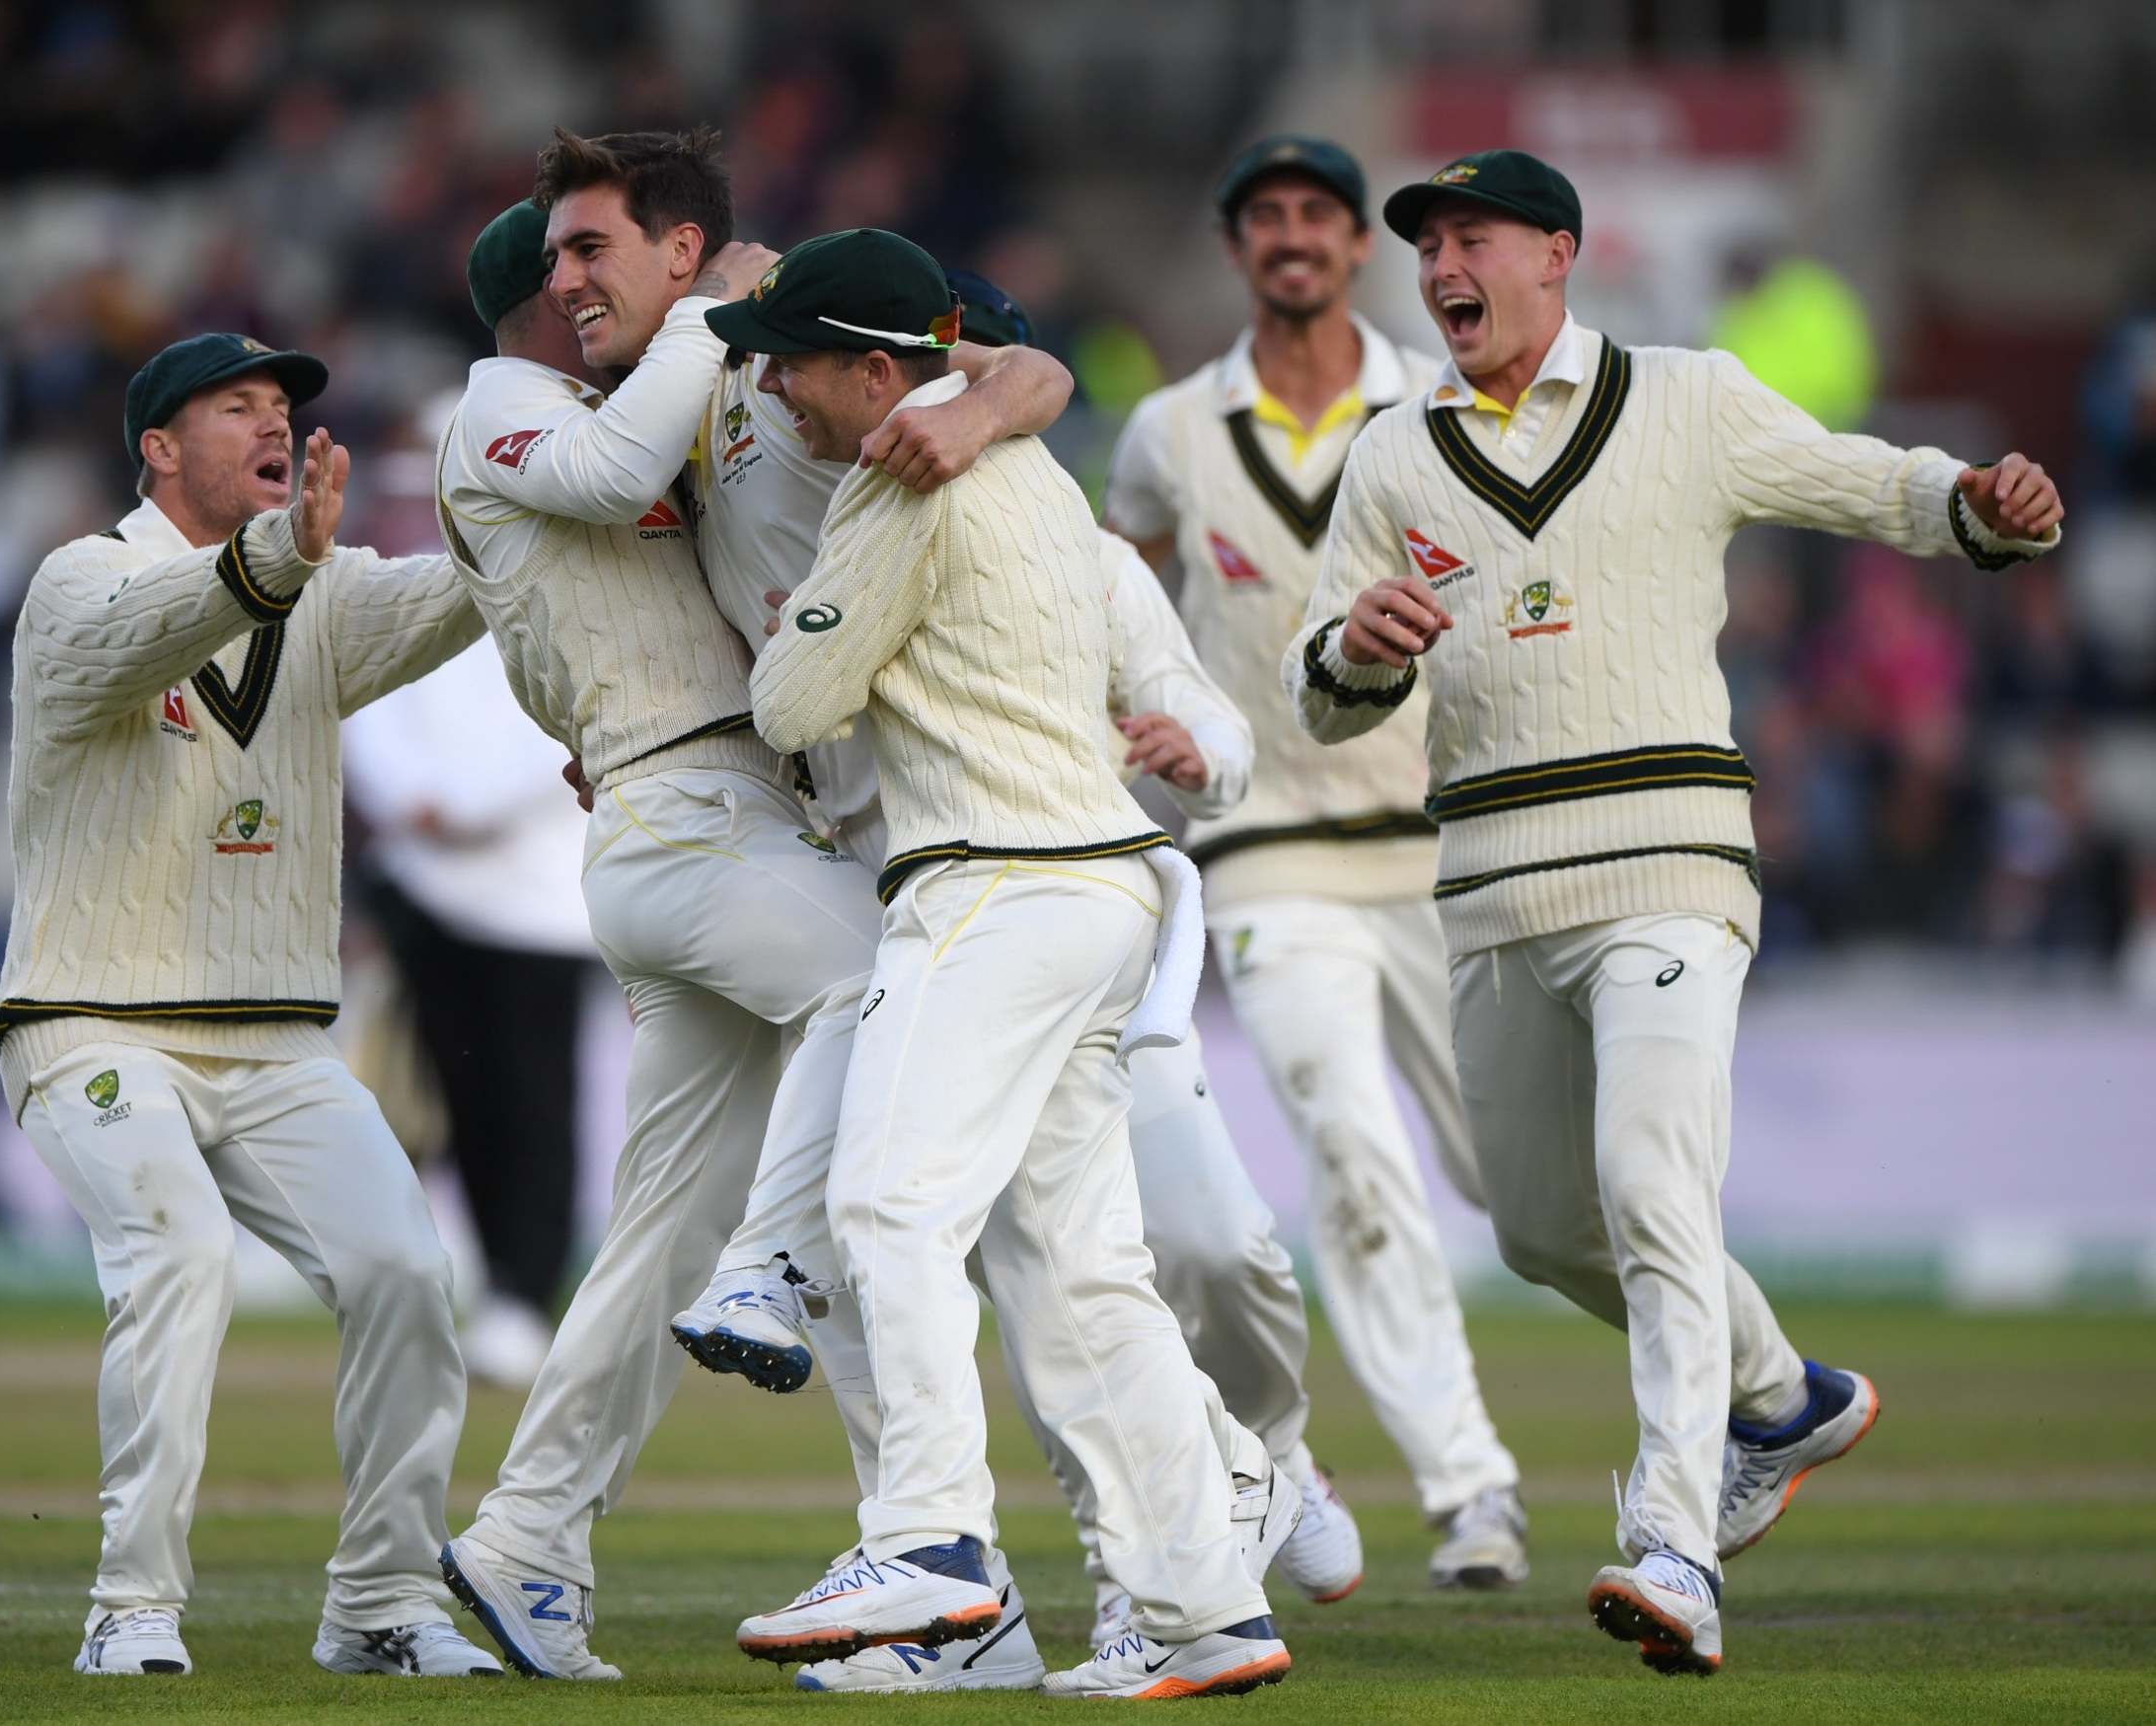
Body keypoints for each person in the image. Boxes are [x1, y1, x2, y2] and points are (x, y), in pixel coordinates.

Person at [1286, 147, 2062, 1676]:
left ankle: (1673, 1548)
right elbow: (1322, 687)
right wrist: (1361, 650)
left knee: (1650, 1179)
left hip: (1671, 864)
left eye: (1475, 238)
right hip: (1494, 892)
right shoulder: (1392, 455)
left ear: (1559, 254)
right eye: (1429, 244)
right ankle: (1779, 1398)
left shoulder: (1688, 399)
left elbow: (1863, 479)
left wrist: (1979, 504)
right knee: (1538, 1226)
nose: (1444, 268)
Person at [428, 138, 1072, 1683]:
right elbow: (601, 490)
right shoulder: (516, 406)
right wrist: (717, 308)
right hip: (689, 820)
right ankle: (931, 1552)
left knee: (660, 1229)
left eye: (600, 263)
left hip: (712, 824)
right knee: (890, 1012)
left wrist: (981, 393)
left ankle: (526, 1536)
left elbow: (1006, 357)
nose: (580, 295)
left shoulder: (703, 371)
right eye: (560, 271)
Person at [671, 270, 1363, 1696]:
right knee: (1082, 1275)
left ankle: (927, 1541)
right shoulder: (1042, 472)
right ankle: (1200, 1606)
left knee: (884, 1204)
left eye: (790, 365)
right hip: (1098, 886)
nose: (774, 390)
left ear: (868, 372)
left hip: (986, 881)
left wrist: (814, 622)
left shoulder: (899, 482)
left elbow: (794, 708)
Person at [0, 334, 498, 1679]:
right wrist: (285, 564)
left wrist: (535, 506)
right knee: (181, 1253)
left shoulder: (321, 587)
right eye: (240, 407)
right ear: (158, 447)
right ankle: (133, 1607)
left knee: (403, 1272)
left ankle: (383, 1606)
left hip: (273, 1039)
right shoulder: (79, 578)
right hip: (94, 1015)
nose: (277, 425)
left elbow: (461, 596)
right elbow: (141, 638)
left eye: (285, 409)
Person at [1107, 135, 1527, 1588]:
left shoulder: (1438, 398)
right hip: (1268, 853)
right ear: (1237, 247)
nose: (1290, 237)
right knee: (1354, 1162)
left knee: (1519, 1183)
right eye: (1265, 216)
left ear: (1358, 246)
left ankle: (1746, 1393)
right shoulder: (1168, 428)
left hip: (1445, 841)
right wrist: (1135, 712)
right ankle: (1469, 1489)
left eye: (1316, 217)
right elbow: (1114, 590)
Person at [343, 634, 600, 1389]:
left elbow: (578, 723)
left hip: (542, 901)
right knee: (455, 1105)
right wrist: (414, 804)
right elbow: (369, 706)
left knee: (535, 1105)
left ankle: (524, 1294)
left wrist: (458, 807)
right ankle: (491, 1286)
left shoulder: (564, 605)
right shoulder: (419, 598)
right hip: (427, 892)